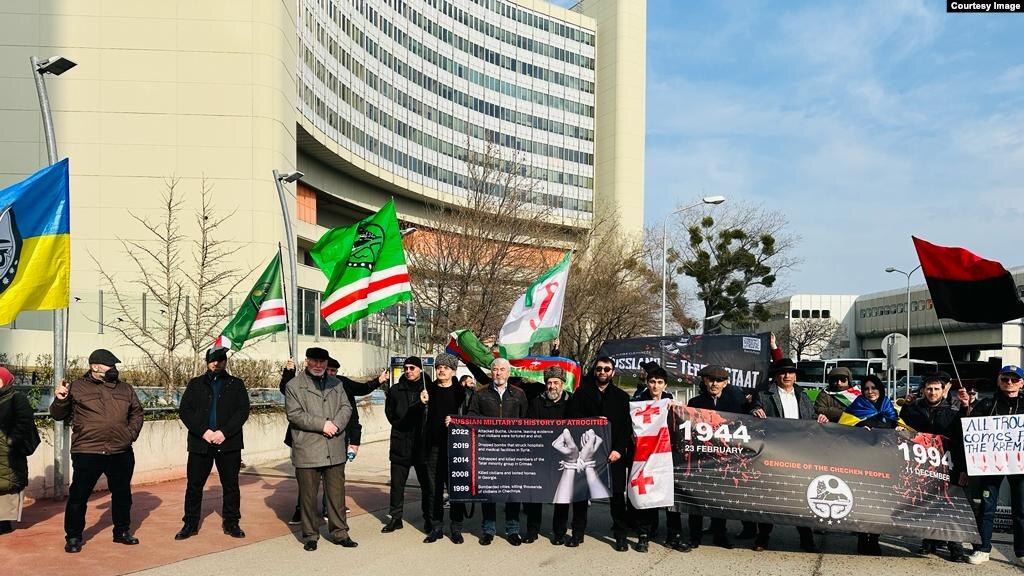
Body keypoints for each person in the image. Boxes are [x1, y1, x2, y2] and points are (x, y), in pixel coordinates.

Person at [50, 349, 144, 553]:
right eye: (110, 365)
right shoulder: (76, 387)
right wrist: (60, 399)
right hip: (88, 451)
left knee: (122, 494)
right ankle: (73, 537)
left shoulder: (125, 388)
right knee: (79, 496)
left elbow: (137, 412)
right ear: (94, 367)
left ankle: (122, 532)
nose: (114, 369)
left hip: (120, 450)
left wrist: (129, 435)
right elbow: (58, 415)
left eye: (115, 366)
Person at [281, 356, 385, 525]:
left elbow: (353, 409)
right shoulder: (302, 383)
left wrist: (353, 440)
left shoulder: (340, 385)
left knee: (334, 482)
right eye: (328, 369)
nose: (329, 373)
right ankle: (302, 513)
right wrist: (289, 371)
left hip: (335, 439)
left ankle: (332, 513)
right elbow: (287, 393)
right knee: (308, 484)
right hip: (309, 443)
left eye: (333, 371)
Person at [750, 358, 827, 553]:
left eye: (791, 372)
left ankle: (806, 538)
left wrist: (819, 417)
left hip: (799, 452)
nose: (787, 376)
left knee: (801, 495)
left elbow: (810, 417)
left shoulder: (803, 395)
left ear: (795, 375)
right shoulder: (764, 395)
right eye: (783, 372)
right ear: (776, 375)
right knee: (770, 496)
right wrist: (755, 410)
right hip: (774, 451)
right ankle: (763, 537)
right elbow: (752, 411)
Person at [175, 348, 251, 540]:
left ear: (225, 362)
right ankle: (190, 524)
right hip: (201, 444)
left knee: (231, 486)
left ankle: (232, 523)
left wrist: (224, 432)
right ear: (207, 362)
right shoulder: (195, 384)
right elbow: (185, 411)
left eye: (220, 360)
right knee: (194, 486)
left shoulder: (236, 384)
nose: (216, 363)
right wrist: (204, 432)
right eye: (212, 360)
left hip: (228, 443)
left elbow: (242, 411)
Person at [285, 347, 356, 551]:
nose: (318, 366)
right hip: (308, 448)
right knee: (308, 496)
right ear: (307, 361)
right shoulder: (294, 385)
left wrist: (336, 425)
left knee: (336, 494)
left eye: (322, 362)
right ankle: (310, 535)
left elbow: (347, 407)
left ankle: (340, 533)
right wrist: (322, 424)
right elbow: (295, 414)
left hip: (334, 447)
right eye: (314, 361)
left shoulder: (337, 383)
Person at [900, 372, 968, 563]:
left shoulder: (954, 411)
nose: (932, 392)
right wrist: (907, 405)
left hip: (949, 465)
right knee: (927, 503)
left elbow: (963, 441)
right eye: (929, 389)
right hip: (924, 465)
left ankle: (955, 546)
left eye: (936, 388)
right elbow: (902, 427)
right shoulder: (914, 410)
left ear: (943, 390)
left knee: (950, 505)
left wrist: (963, 469)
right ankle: (928, 541)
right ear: (923, 390)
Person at [565, 356, 632, 551]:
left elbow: (626, 428)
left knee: (617, 497)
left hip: (613, 456)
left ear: (613, 372)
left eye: (607, 369)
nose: (602, 372)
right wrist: (592, 420)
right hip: (587, 454)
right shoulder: (581, 393)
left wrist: (619, 450)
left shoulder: (621, 397)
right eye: (599, 369)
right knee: (581, 495)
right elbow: (570, 418)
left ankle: (620, 536)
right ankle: (577, 533)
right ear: (594, 371)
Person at [961, 365, 1024, 565]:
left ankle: (1021, 552)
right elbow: (970, 430)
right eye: (1005, 379)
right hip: (991, 464)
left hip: (1020, 465)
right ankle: (983, 549)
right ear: (998, 380)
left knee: (1021, 509)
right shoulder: (987, 403)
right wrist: (966, 407)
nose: (1010, 383)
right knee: (988, 507)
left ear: (1022, 383)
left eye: (1014, 380)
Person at [467, 357, 529, 545]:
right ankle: (488, 530)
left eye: (502, 369)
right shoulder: (480, 394)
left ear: (508, 373)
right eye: (495, 369)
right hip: (488, 450)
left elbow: (526, 421)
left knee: (512, 492)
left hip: (512, 451)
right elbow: (471, 416)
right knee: (489, 492)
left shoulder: (519, 394)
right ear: (491, 372)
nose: (498, 373)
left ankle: (512, 530)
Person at [686, 364, 745, 549]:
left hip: (723, 458)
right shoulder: (694, 403)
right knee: (696, 496)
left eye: (719, 380)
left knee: (720, 497)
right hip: (700, 458)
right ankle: (694, 536)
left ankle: (720, 534)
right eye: (711, 379)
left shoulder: (735, 404)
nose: (714, 383)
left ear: (725, 383)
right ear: (704, 380)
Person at [633, 365, 689, 553]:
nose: (655, 386)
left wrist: (677, 410)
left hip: (667, 454)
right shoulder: (639, 402)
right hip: (646, 454)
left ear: (665, 385)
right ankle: (644, 535)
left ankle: (674, 536)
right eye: (652, 382)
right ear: (647, 383)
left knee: (669, 496)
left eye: (659, 382)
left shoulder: (670, 402)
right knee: (646, 493)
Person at [838, 374, 895, 555]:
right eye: (866, 389)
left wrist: (899, 429)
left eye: (874, 388)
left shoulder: (888, 406)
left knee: (881, 502)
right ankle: (863, 539)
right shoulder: (857, 406)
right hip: (863, 463)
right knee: (864, 500)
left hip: (884, 463)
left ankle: (875, 539)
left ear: (880, 389)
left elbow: (898, 424)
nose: (870, 392)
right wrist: (859, 430)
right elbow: (843, 428)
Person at [524, 366, 573, 545]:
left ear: (563, 384)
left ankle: (559, 532)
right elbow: (529, 426)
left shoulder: (572, 402)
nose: (552, 386)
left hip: (563, 456)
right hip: (540, 455)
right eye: (549, 382)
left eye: (556, 383)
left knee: (562, 495)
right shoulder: (536, 402)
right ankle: (532, 530)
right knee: (535, 494)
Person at [422, 353, 468, 544]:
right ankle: (436, 527)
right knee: (434, 490)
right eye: (439, 367)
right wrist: (421, 403)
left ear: (453, 371)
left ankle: (456, 529)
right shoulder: (427, 391)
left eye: (446, 368)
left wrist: (458, 421)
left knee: (455, 489)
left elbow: (470, 418)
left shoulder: (461, 393)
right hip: (432, 447)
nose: (441, 370)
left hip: (455, 448)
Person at [383, 356, 431, 535]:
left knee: (426, 486)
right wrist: (418, 405)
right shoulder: (395, 390)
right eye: (406, 368)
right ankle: (396, 518)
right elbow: (394, 418)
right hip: (400, 443)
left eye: (412, 368)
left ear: (420, 369)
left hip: (422, 444)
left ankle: (428, 518)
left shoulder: (429, 389)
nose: (408, 371)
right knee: (397, 485)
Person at [0, 366, 37, 535]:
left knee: (8, 485)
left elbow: (25, 420)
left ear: (5, 381)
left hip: (9, 450)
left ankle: (4, 522)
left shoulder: (17, 398)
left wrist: (11, 440)